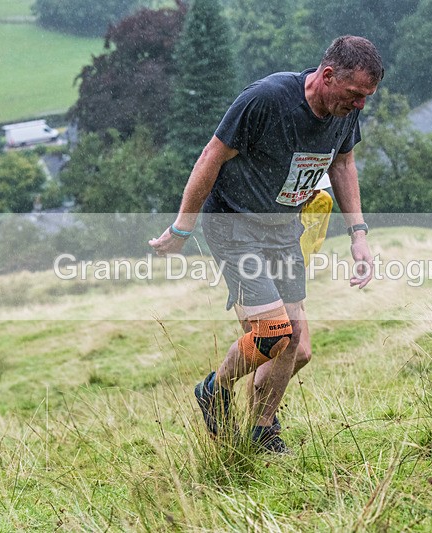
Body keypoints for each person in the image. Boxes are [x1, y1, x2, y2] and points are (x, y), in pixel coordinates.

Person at [149, 35, 383, 453]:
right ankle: (214, 389)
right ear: (327, 76)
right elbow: (211, 155)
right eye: (355, 94)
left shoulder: (344, 110)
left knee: (298, 347)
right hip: (234, 225)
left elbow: (343, 163)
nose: (360, 105)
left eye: (367, 96)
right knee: (274, 331)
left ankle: (260, 432)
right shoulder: (267, 99)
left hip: (282, 229)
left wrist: (358, 234)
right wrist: (182, 228)